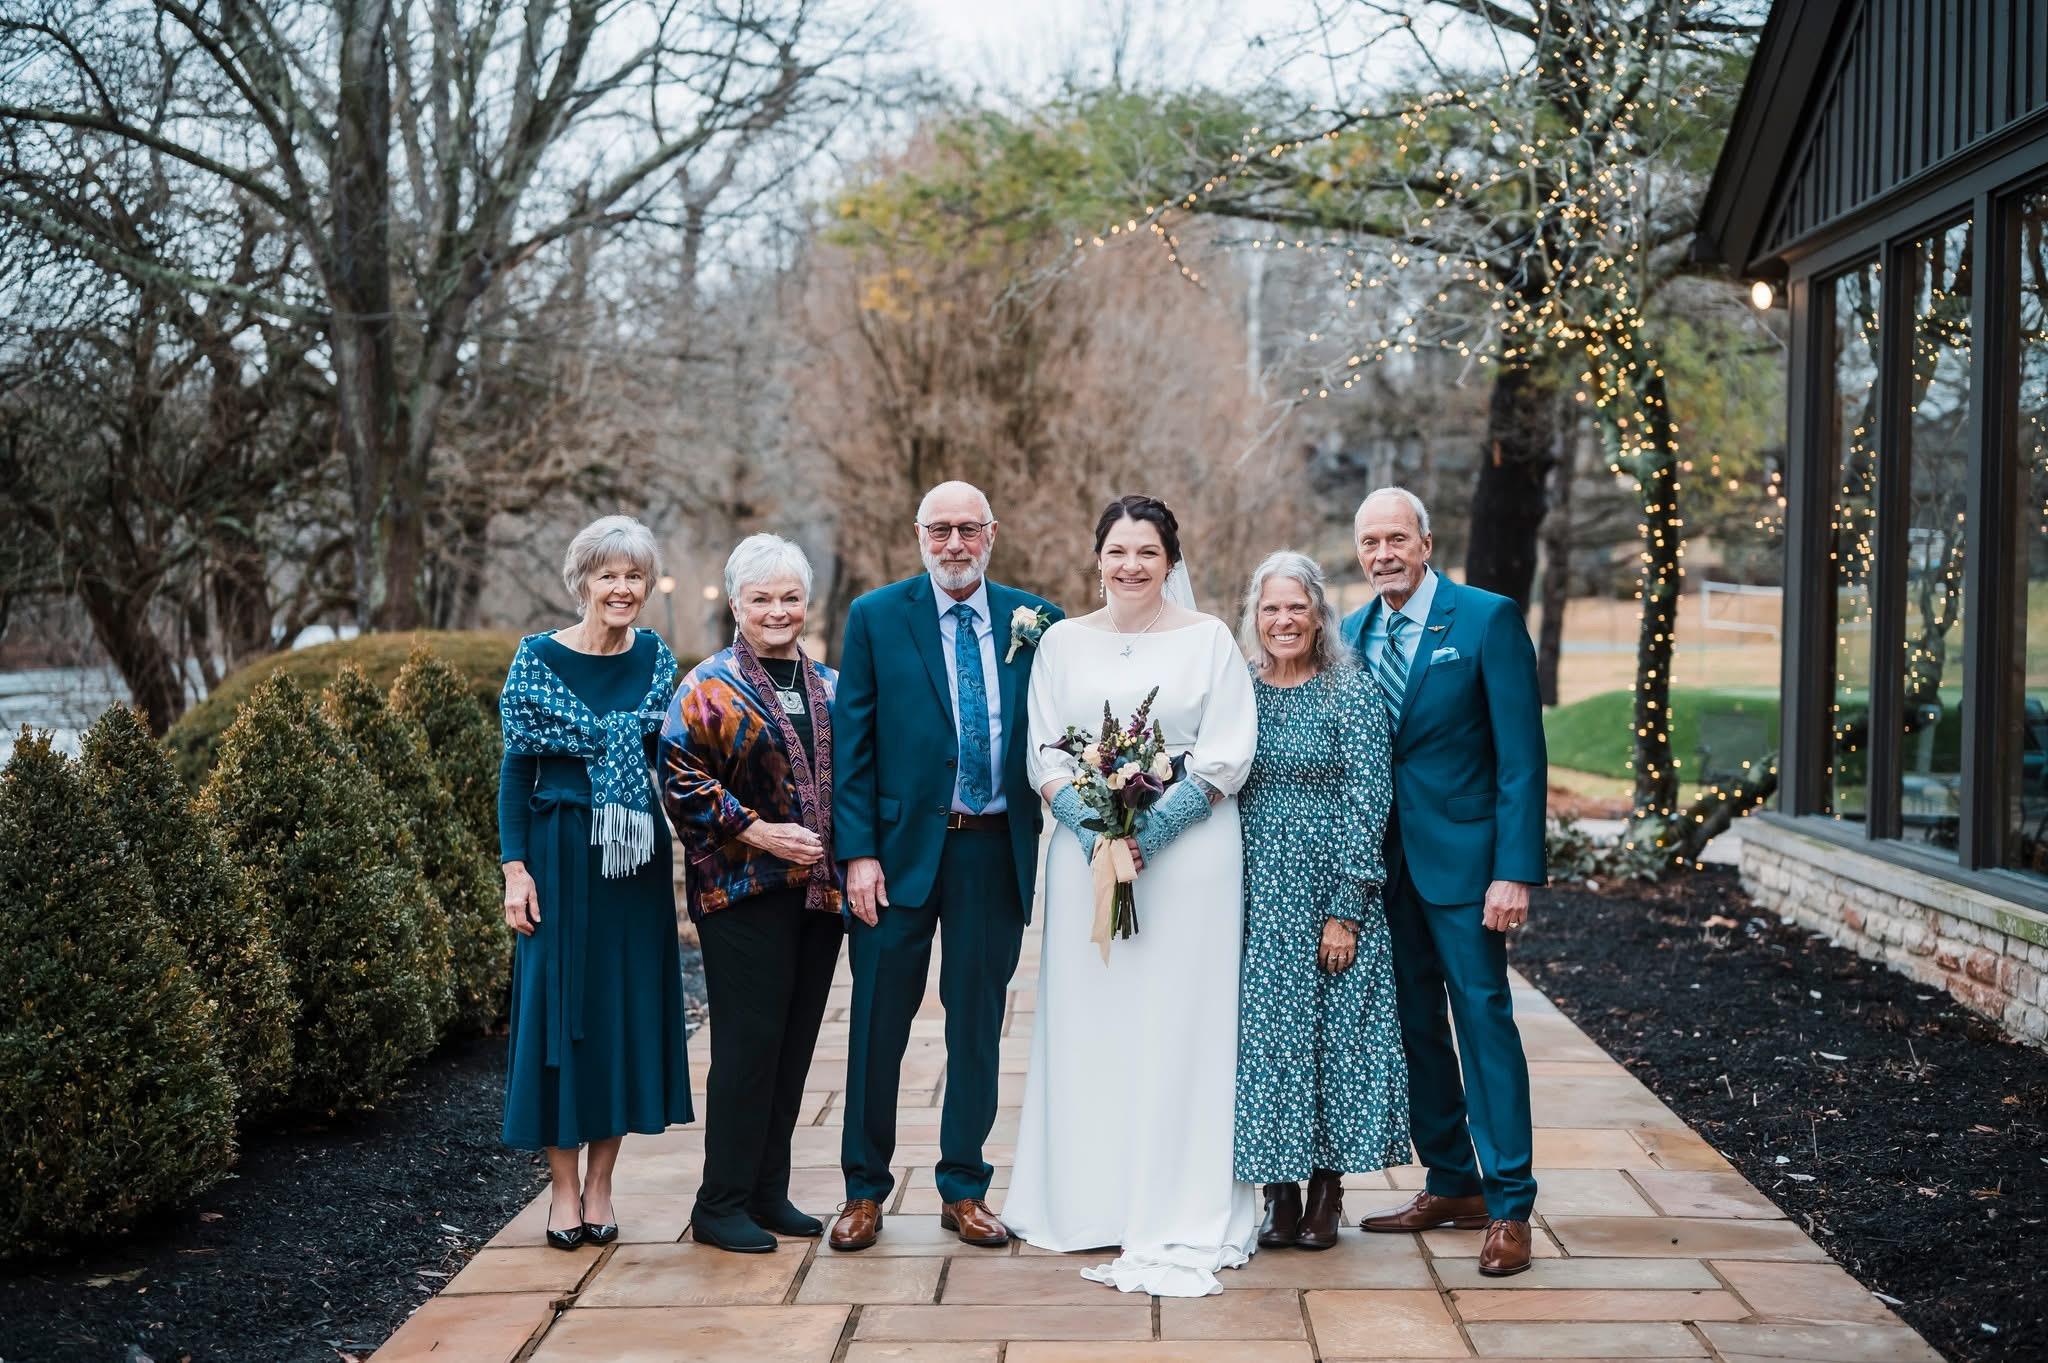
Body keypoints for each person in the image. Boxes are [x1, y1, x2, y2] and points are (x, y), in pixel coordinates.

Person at [1006, 493, 1260, 1298]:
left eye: (1146, 551)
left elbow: (1226, 755)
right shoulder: (1063, 643)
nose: (1130, 565)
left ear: (1169, 560)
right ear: (1098, 558)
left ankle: (1180, 1193)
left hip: (1191, 860)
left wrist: (1148, 835)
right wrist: (1098, 836)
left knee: (1182, 1021)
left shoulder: (1210, 638)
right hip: (1088, 858)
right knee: (1098, 1020)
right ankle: (1091, 1195)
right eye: (1117, 550)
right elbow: (1044, 754)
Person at [829, 481, 1063, 1253]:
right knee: (876, 1026)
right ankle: (864, 1189)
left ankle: (963, 1186)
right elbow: (851, 748)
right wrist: (857, 853)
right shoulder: (874, 618)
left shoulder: (1036, 620)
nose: (955, 543)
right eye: (941, 530)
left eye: (968, 528)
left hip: (993, 851)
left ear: (992, 532)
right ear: (919, 535)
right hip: (894, 858)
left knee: (978, 1027)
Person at [1340, 487, 1546, 1278]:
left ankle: (1510, 1204)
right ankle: (1451, 1179)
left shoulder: (1486, 619)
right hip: (1381, 870)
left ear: (1426, 542)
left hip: (1466, 865)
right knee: (1414, 1026)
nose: (1382, 553)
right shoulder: (1353, 632)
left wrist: (1514, 870)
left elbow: (1523, 756)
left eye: (1396, 538)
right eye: (1369, 542)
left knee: (1483, 1018)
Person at [499, 514, 691, 1251]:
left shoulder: (655, 660)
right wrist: (515, 869)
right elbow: (516, 770)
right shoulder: (536, 661)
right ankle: (561, 1188)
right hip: (556, 853)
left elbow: (672, 765)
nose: (622, 588)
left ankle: (602, 1185)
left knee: (621, 1015)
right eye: (608, 574)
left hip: (632, 862)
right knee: (556, 1012)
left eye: (634, 576)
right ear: (583, 580)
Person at [658, 534, 844, 1253]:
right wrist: (760, 831)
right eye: (761, 598)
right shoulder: (706, 687)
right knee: (746, 1045)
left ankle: (769, 1191)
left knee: (793, 1046)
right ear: (737, 603)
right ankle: (720, 1200)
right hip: (742, 892)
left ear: (807, 602)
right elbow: (680, 780)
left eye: (789, 597)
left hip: (817, 896)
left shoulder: (828, 683)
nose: (777, 610)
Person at [1234, 550, 1408, 1251]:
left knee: (1337, 1040)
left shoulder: (1349, 688)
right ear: (1255, 616)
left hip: (1329, 892)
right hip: (1254, 894)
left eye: (1296, 607)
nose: (1283, 620)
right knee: (1266, 1046)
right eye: (1271, 607)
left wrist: (1347, 907)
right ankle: (1277, 1191)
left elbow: (1370, 800)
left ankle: (1326, 1191)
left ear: (1318, 615)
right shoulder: (1240, 688)